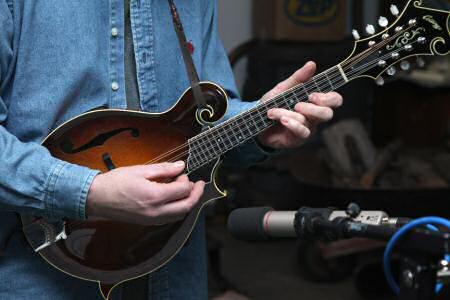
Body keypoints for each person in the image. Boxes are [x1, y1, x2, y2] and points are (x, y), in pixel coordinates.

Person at [0, 0, 342, 299]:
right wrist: (89, 192)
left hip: (172, 275)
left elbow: (207, 115)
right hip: (39, 274)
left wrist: (259, 127)